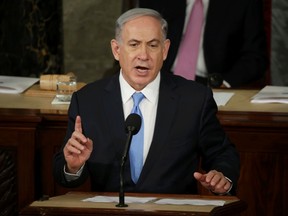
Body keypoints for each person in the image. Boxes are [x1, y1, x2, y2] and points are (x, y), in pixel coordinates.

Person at [53, 8, 240, 195]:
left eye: (152, 45)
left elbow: (222, 153)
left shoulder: (194, 99)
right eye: (134, 44)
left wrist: (222, 176)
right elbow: (64, 172)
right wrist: (72, 167)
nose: (143, 55)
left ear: (165, 50)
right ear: (116, 50)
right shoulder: (88, 100)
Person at [138, 0, 269, 88]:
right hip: (159, 81)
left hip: (213, 85)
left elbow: (255, 57)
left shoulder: (243, 3)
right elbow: (135, 42)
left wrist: (224, 83)